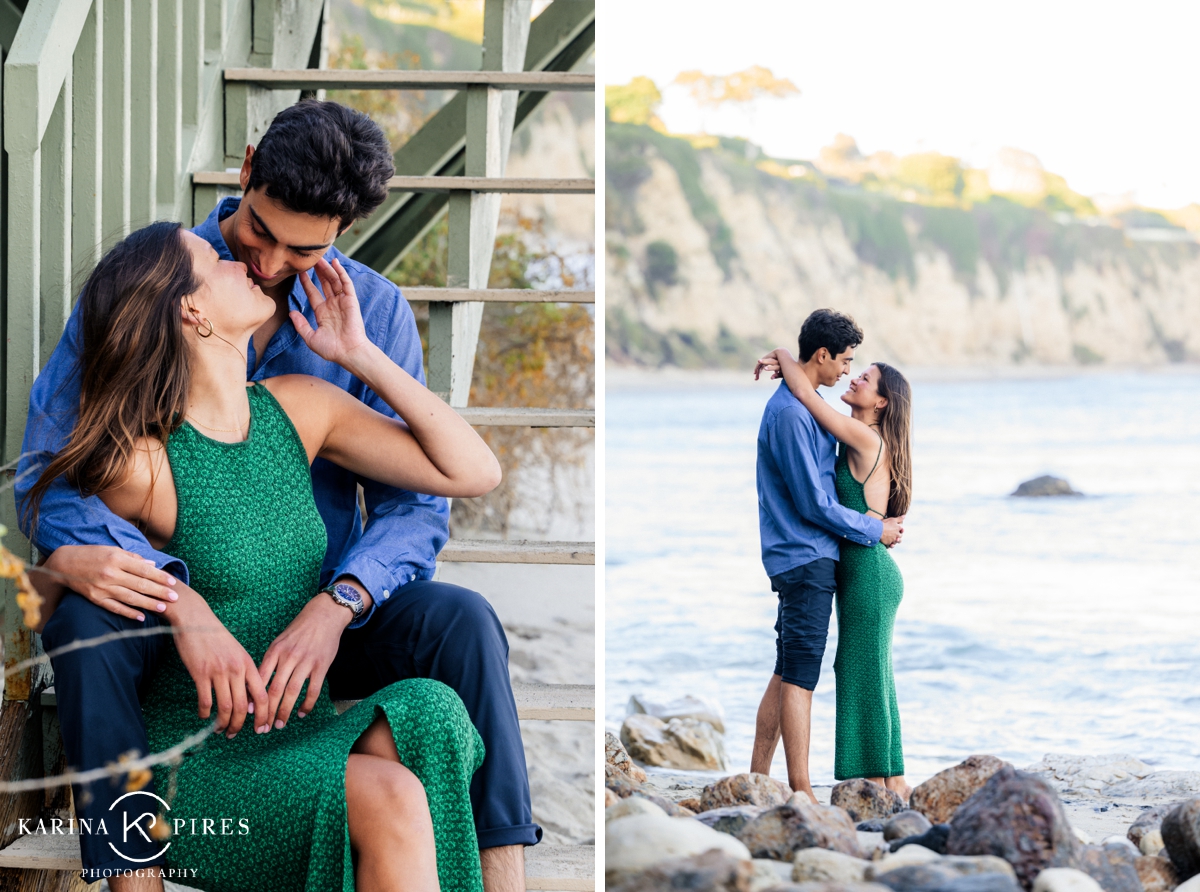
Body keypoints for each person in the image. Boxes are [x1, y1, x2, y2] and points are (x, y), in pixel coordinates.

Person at [15, 100, 539, 890]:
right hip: (177, 638)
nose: (266, 264)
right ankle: (133, 865)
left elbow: (432, 499)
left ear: (343, 231)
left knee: (461, 624)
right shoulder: (160, 277)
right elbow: (50, 482)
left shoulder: (352, 331)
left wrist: (339, 603)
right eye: (258, 236)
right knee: (86, 616)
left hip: (312, 610)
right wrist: (175, 600)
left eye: (304, 249)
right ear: (249, 168)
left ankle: (503, 875)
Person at [748, 309, 904, 804]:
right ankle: (800, 789)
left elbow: (806, 389)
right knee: (801, 672)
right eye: (846, 361)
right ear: (822, 356)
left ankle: (760, 778)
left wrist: (782, 356)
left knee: (795, 666)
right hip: (805, 556)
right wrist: (872, 529)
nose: (846, 371)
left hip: (822, 558)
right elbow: (814, 503)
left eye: (858, 368)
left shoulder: (812, 406)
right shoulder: (795, 413)